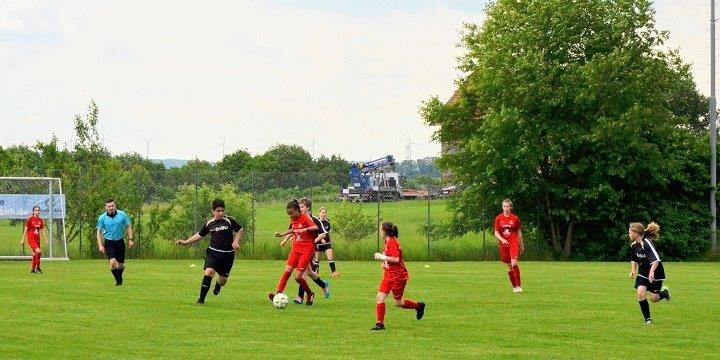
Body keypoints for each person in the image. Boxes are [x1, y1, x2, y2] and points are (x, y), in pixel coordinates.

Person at [176, 198, 243, 304]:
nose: (221, 213)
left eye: (222, 210)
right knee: (209, 272)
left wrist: (236, 241)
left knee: (223, 281)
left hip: (227, 255)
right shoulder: (209, 223)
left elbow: (240, 229)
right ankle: (201, 300)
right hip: (213, 253)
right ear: (213, 211)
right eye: (218, 211)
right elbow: (199, 235)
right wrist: (185, 242)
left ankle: (218, 284)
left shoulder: (229, 220)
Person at [371, 221, 425, 331]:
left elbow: (396, 259)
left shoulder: (393, 242)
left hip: (398, 277)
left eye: (381, 229)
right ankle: (380, 324)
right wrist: (384, 263)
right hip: (388, 276)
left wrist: (382, 257)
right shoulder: (387, 241)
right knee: (380, 297)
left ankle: (419, 306)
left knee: (398, 303)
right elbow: (390, 257)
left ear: (385, 231)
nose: (380, 231)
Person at [268, 199, 319, 306]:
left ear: (297, 210)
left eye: (291, 213)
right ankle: (278, 294)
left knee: (298, 277)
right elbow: (293, 229)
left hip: (306, 250)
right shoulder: (294, 219)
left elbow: (315, 227)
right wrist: (282, 234)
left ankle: (310, 294)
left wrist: (305, 230)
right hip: (296, 249)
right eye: (288, 214)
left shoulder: (305, 218)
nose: (290, 216)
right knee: (287, 272)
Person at [628, 222, 671, 325]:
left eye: (630, 232)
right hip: (643, 272)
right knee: (640, 292)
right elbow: (633, 259)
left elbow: (656, 260)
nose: (629, 234)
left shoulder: (647, 243)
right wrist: (633, 270)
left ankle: (664, 293)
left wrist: (652, 271)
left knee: (654, 298)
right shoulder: (634, 245)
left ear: (637, 233)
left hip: (656, 272)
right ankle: (648, 319)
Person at [292, 198, 331, 304]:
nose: (300, 209)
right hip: (300, 249)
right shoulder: (298, 218)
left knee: (302, 272)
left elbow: (323, 234)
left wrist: (313, 241)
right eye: (299, 207)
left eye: (302, 207)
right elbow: (294, 231)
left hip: (309, 250)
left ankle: (300, 297)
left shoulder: (314, 220)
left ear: (308, 207)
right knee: (310, 273)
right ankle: (323, 285)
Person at [96, 198, 134, 286]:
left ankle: (119, 279)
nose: (111, 208)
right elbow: (99, 232)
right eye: (109, 206)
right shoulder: (102, 218)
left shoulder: (122, 215)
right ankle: (119, 282)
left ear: (115, 205)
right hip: (109, 242)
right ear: (106, 207)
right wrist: (100, 245)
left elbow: (128, 226)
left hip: (120, 242)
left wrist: (131, 239)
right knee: (112, 262)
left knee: (121, 265)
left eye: (112, 205)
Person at [493, 198, 524, 293]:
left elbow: (519, 232)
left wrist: (521, 245)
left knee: (514, 263)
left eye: (508, 206)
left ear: (511, 207)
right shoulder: (498, 218)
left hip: (513, 242)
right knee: (509, 267)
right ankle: (514, 287)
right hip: (504, 245)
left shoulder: (515, 218)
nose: (506, 208)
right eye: (504, 206)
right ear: (502, 207)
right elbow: (496, 233)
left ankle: (519, 286)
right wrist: (502, 240)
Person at [20, 206, 48, 274]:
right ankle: (38, 268)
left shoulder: (40, 220)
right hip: (31, 239)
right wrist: (22, 239)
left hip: (37, 239)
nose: (37, 211)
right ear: (33, 212)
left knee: (35, 254)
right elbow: (26, 229)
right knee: (39, 251)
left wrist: (45, 238)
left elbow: (42, 230)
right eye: (36, 210)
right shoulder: (30, 219)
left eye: (38, 210)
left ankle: (32, 270)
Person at [315, 206, 340, 277]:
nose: (324, 214)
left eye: (325, 213)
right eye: (322, 212)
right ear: (319, 213)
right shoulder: (316, 221)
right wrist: (321, 239)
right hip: (319, 243)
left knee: (330, 256)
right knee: (317, 258)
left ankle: (334, 272)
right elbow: (316, 232)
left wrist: (330, 240)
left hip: (327, 242)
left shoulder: (328, 221)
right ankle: (316, 272)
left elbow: (328, 232)